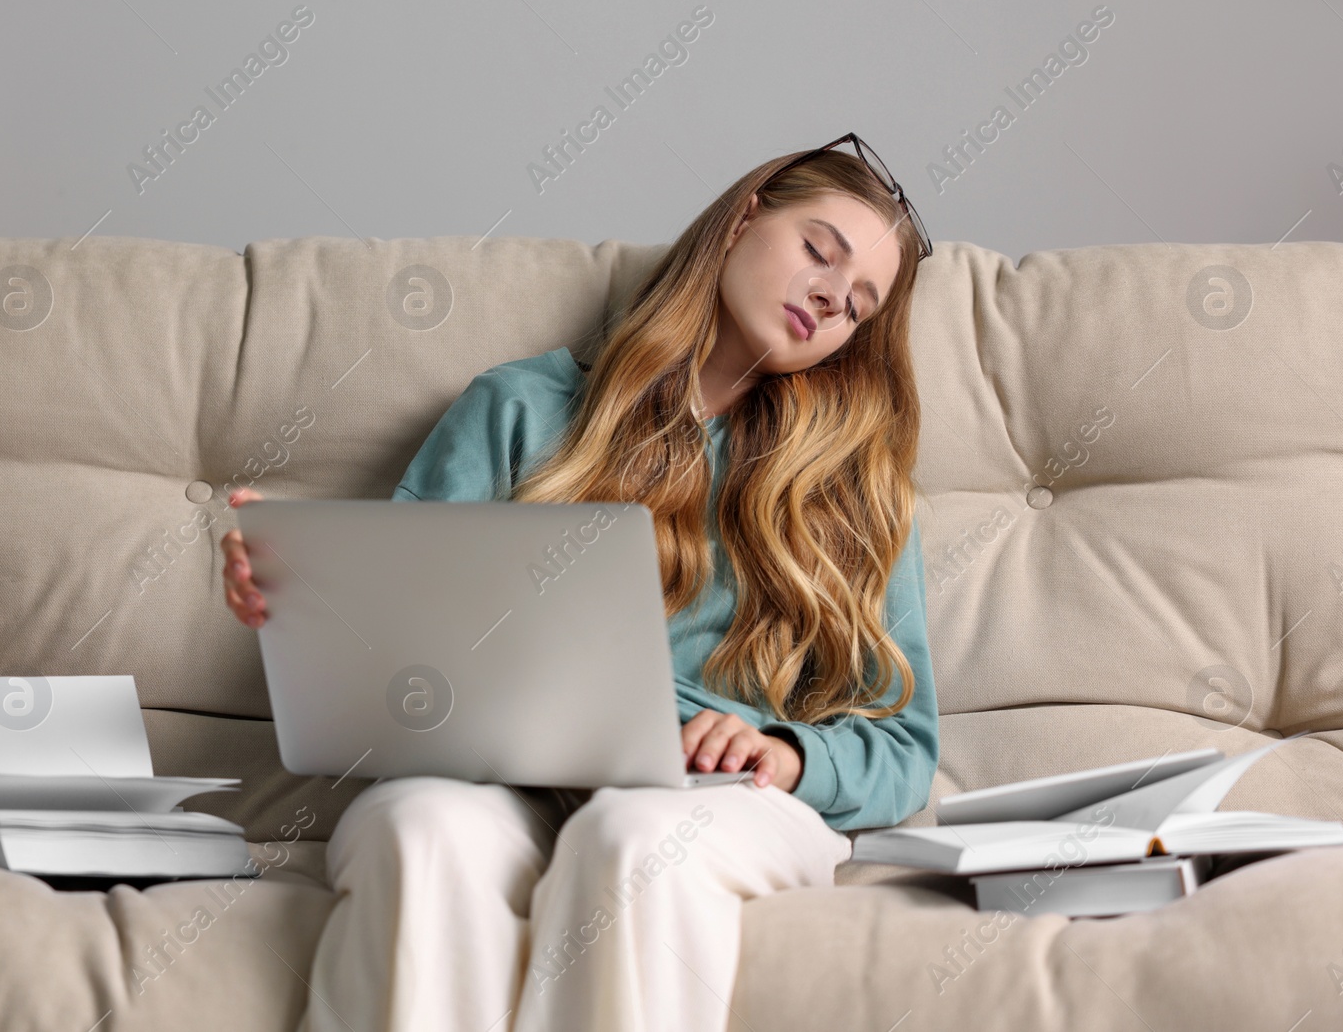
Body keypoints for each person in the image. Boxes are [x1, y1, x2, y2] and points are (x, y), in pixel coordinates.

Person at [219, 133, 939, 1032]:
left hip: (713, 796)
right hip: (501, 780)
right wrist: (304, 597)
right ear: (744, 218)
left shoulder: (854, 489)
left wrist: (789, 754)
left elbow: (906, 744)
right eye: (818, 251)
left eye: (858, 305)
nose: (832, 296)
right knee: (416, 829)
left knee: (633, 839)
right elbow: (400, 642)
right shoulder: (518, 407)